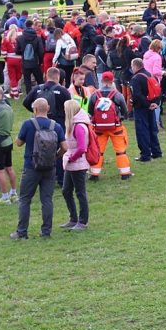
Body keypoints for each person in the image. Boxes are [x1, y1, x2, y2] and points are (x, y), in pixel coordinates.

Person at [12, 97, 68, 240]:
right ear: (48, 109)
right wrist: (55, 156)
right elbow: (65, 147)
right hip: (50, 167)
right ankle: (46, 231)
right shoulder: (56, 126)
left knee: (25, 199)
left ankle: (22, 232)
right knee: (47, 200)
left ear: (35, 109)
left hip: (31, 167)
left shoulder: (28, 124)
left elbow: (19, 143)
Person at [87, 72, 132, 180]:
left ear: (102, 81)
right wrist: (121, 117)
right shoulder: (117, 95)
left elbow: (90, 111)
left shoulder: (94, 95)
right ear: (112, 81)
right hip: (116, 127)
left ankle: (94, 174)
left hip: (98, 128)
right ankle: (125, 173)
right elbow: (125, 111)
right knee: (120, 150)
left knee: (98, 150)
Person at [59, 99, 91, 231]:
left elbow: (82, 147)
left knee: (80, 192)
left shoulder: (79, 127)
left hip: (78, 164)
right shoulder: (73, 125)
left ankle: (82, 221)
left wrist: (71, 158)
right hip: (71, 163)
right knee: (66, 191)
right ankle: (73, 218)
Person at [129, 59, 162, 162]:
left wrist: (147, 104)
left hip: (141, 107)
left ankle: (145, 154)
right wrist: (155, 103)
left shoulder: (136, 78)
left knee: (142, 131)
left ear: (135, 66)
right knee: (152, 129)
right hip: (151, 106)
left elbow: (137, 95)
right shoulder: (150, 74)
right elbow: (157, 90)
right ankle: (156, 152)